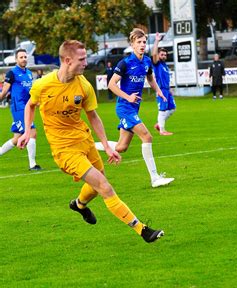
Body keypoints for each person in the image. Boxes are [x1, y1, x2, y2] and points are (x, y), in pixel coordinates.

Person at [17, 40, 164, 243]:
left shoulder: (84, 85)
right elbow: (30, 105)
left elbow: (93, 116)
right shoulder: (42, 85)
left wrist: (105, 146)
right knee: (104, 186)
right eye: (82, 59)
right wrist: (26, 131)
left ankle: (79, 204)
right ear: (68, 60)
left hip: (84, 140)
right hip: (64, 149)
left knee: (97, 185)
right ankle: (142, 229)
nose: (86, 63)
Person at [97, 28, 174, 188]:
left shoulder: (146, 61)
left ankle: (89, 145)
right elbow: (111, 84)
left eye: (144, 42)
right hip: (125, 108)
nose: (142, 45)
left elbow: (151, 78)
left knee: (121, 147)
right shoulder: (125, 63)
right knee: (147, 137)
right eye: (138, 42)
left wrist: (159, 91)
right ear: (132, 44)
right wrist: (128, 97)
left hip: (134, 108)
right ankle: (155, 178)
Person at [0, 49, 41, 170]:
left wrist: (37, 102)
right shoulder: (11, 73)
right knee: (32, 132)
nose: (24, 59)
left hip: (27, 107)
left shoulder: (29, 73)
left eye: (25, 57)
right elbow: (4, 92)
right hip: (19, 108)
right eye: (21, 57)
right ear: (16, 59)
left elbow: (30, 91)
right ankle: (33, 164)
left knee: (17, 137)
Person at [152, 32, 175, 136]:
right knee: (162, 109)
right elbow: (154, 54)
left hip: (166, 89)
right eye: (162, 54)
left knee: (172, 108)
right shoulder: (157, 64)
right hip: (160, 89)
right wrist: (157, 41)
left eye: (165, 54)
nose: (164, 56)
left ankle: (159, 123)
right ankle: (162, 130)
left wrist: (170, 88)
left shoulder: (165, 65)